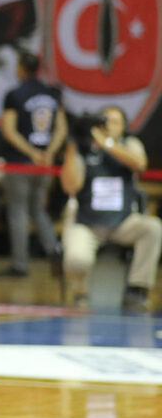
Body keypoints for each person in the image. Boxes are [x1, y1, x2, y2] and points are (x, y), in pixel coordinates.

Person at [60, 107, 161, 311]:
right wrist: (72, 148)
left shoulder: (129, 144)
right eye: (105, 121)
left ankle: (137, 288)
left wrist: (107, 143)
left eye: (115, 122)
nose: (109, 126)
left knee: (153, 228)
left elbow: (139, 164)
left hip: (123, 221)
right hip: (88, 223)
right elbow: (70, 186)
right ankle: (80, 290)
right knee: (76, 259)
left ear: (123, 127)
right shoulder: (84, 149)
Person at [0, 52, 66, 277]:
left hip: (20, 162)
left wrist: (32, 153)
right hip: (44, 163)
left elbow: (9, 130)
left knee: (18, 212)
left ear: (20, 67)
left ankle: (20, 264)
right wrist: (48, 153)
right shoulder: (52, 93)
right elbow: (61, 129)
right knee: (38, 210)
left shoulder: (15, 94)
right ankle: (55, 252)